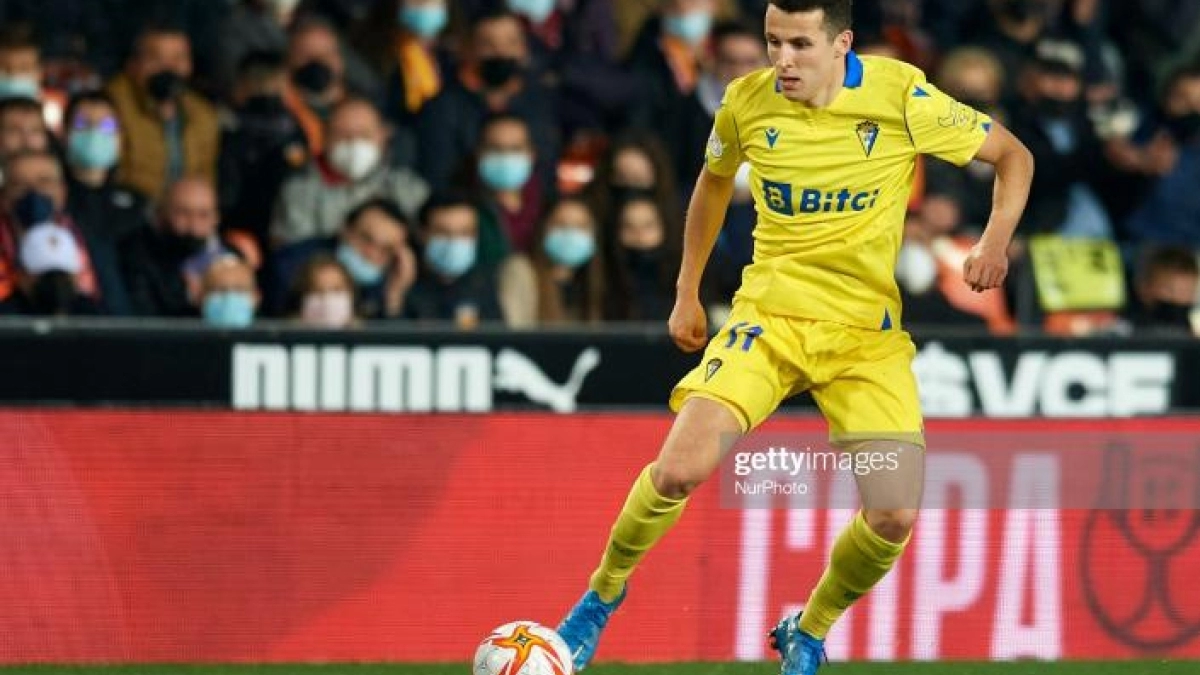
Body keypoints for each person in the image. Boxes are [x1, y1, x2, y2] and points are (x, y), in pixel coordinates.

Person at [553, 2, 1034, 675]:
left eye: (799, 44)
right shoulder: (746, 102)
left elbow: (1014, 156)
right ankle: (597, 600)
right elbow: (712, 182)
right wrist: (688, 291)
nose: (782, 59)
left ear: (841, 42)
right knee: (678, 469)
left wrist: (993, 242)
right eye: (773, 41)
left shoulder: (901, 95)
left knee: (894, 515)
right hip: (770, 320)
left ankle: (808, 628)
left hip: (866, 336)